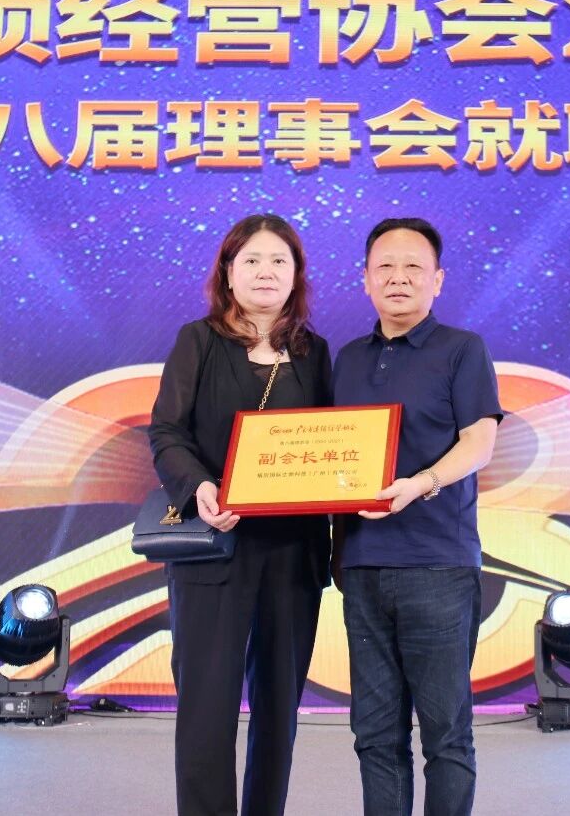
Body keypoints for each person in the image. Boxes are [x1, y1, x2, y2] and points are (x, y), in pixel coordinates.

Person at [148, 214, 332, 816]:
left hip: (293, 550)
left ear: (296, 275)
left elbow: (334, 441)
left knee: (279, 708)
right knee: (207, 705)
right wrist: (199, 485)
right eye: (251, 259)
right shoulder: (197, 341)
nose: (265, 272)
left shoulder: (313, 352)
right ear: (228, 272)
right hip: (213, 544)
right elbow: (167, 431)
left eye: (279, 260)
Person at [332, 218, 502, 816]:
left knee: (445, 735)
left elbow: (479, 440)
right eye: (385, 267)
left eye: (413, 267)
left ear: (438, 280)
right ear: (365, 280)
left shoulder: (462, 349)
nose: (398, 278)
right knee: (374, 734)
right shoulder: (347, 359)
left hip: (437, 566)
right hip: (360, 565)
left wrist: (423, 483)